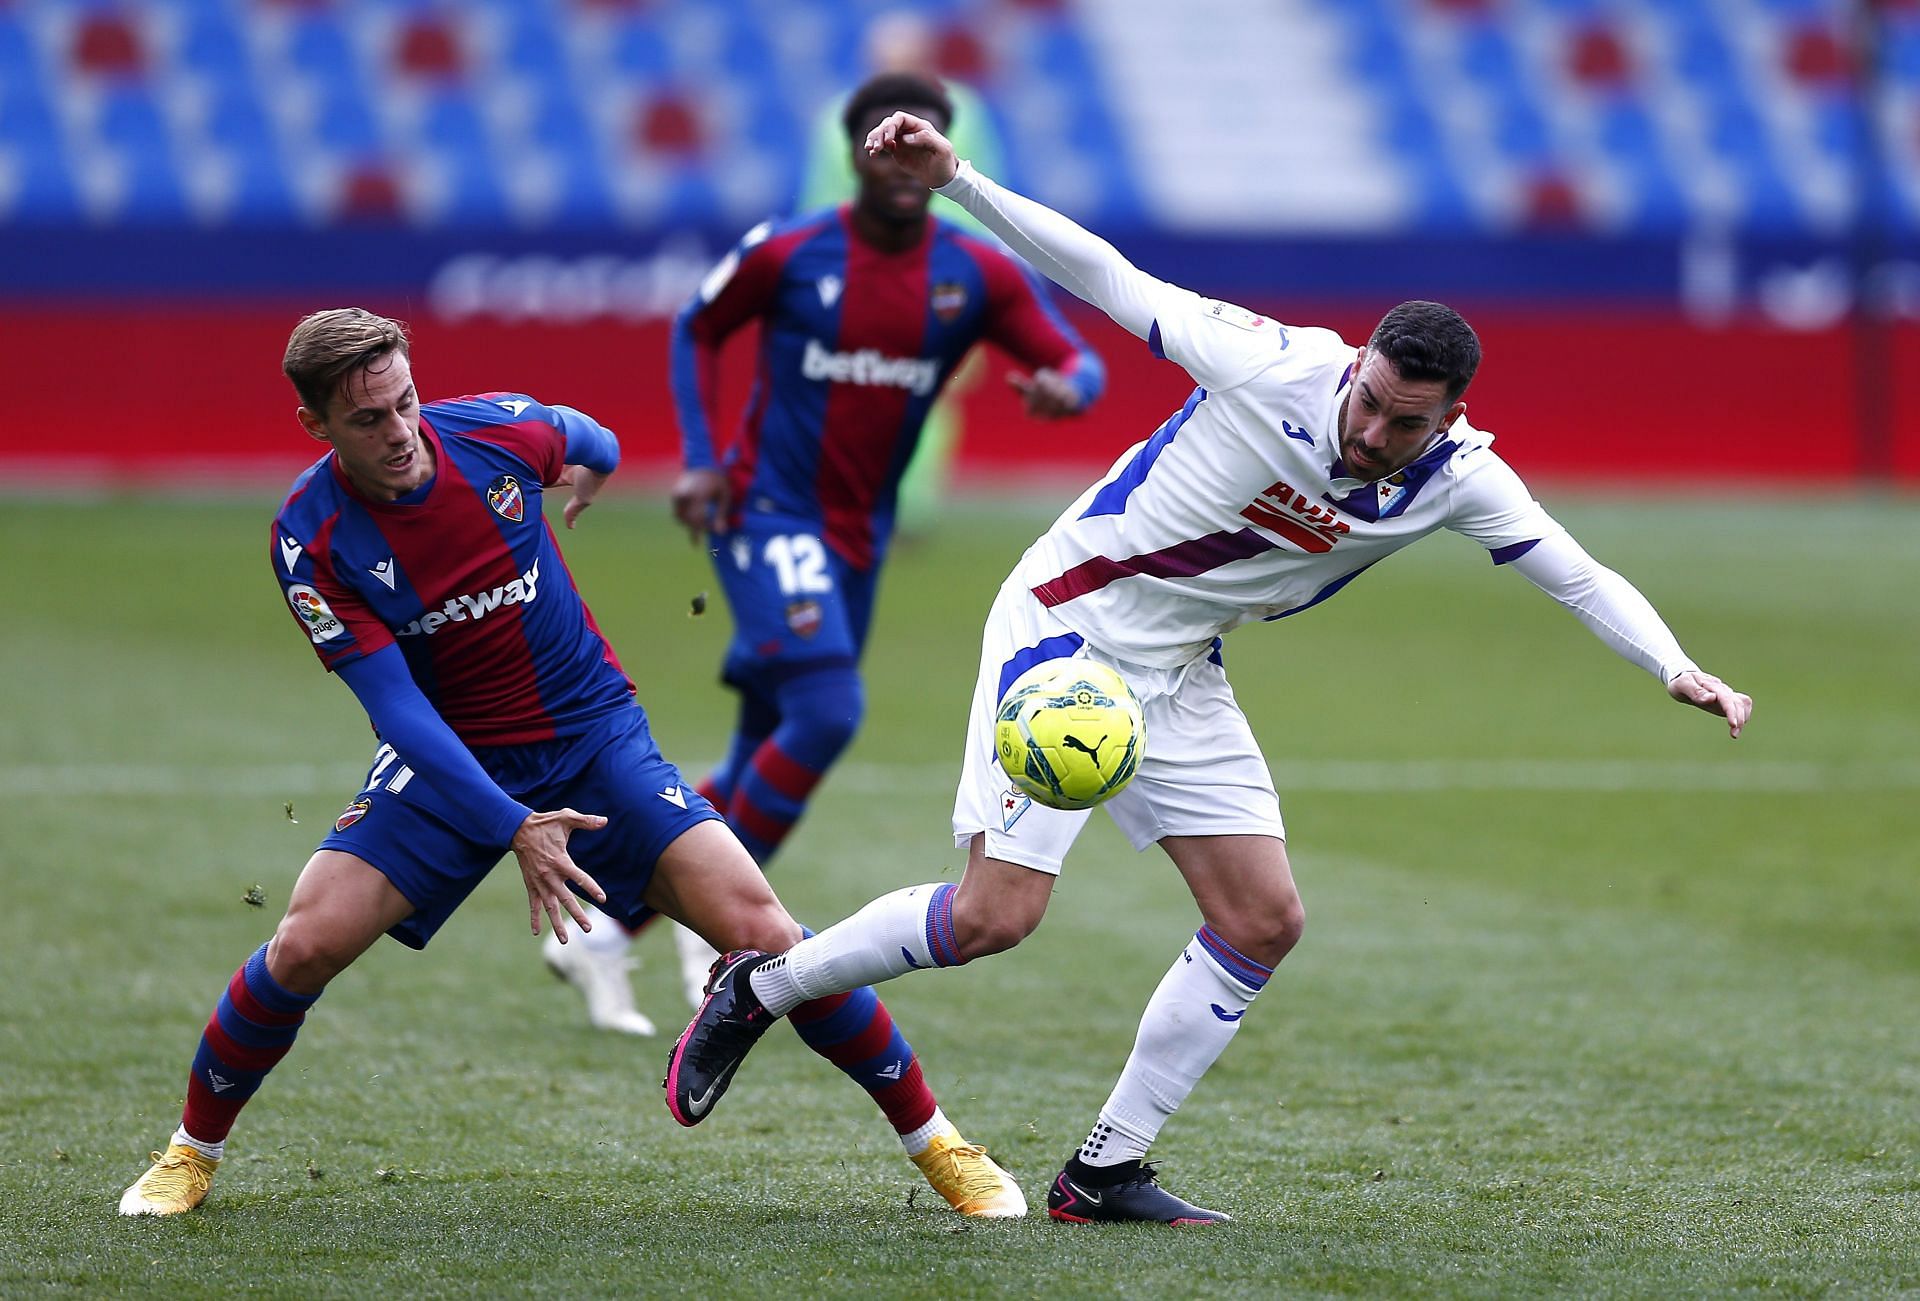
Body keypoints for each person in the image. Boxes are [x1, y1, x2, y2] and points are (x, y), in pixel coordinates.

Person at [663, 113, 1756, 1226]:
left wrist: (1675, 664)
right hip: (1067, 629)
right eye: (1369, 397)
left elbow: (1576, 573)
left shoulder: (1464, 478)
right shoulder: (1269, 361)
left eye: (1403, 420)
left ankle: (1102, 1171)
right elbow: (1103, 273)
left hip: (1179, 666)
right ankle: (763, 982)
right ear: (1360, 364)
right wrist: (960, 181)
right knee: (996, 916)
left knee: (1262, 917)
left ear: (1453, 417)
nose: (1371, 429)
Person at [117, 308, 1027, 1220]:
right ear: (316, 425)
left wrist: (590, 471)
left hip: (592, 735)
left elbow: (597, 437)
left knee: (769, 933)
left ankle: (942, 1145)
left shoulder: (498, 432)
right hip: (448, 758)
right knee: (306, 940)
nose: (399, 433)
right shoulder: (309, 539)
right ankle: (190, 1152)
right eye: (367, 420)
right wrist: (513, 824)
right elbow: (396, 708)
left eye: (404, 403)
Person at [543, 71, 1105, 1025]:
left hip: (858, 532)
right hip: (765, 509)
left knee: (772, 732)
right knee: (827, 708)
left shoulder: (972, 274)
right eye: (882, 143)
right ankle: (690, 920)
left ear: (939, 150)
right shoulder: (793, 251)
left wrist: (1070, 389)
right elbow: (699, 326)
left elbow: (1074, 357)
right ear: (854, 153)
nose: (898, 160)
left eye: (919, 140)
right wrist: (704, 458)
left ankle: (618, 915)